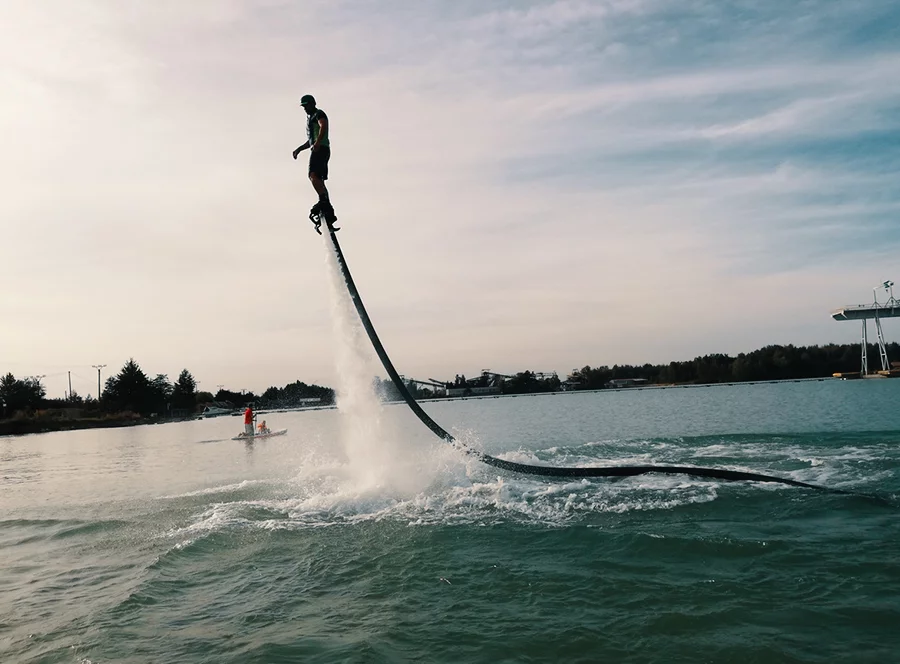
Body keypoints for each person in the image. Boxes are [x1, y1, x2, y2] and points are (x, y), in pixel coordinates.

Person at [292, 94, 338, 228]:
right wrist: (299, 149)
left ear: (313, 104)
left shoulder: (318, 114)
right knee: (319, 179)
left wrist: (317, 143)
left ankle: (324, 201)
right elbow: (311, 140)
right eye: (304, 106)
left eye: (307, 105)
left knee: (312, 175)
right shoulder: (309, 119)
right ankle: (329, 211)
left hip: (320, 149)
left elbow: (323, 126)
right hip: (320, 148)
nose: (305, 108)